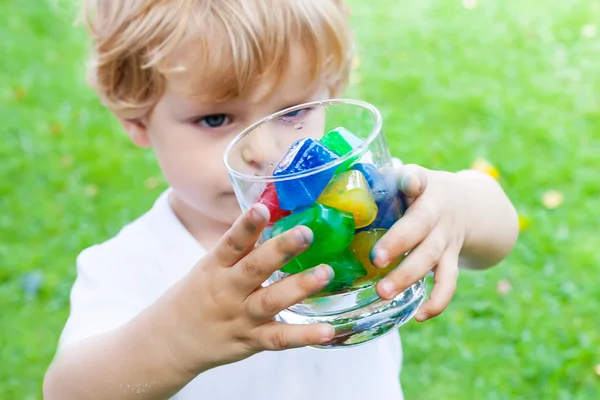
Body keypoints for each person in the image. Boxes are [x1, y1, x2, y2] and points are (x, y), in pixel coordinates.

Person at [43, 0, 519, 398]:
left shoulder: (361, 205)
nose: (267, 154)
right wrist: (176, 341)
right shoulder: (135, 264)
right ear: (138, 120)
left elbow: (499, 233)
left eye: (295, 113)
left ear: (330, 94)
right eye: (215, 119)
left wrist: (457, 205)